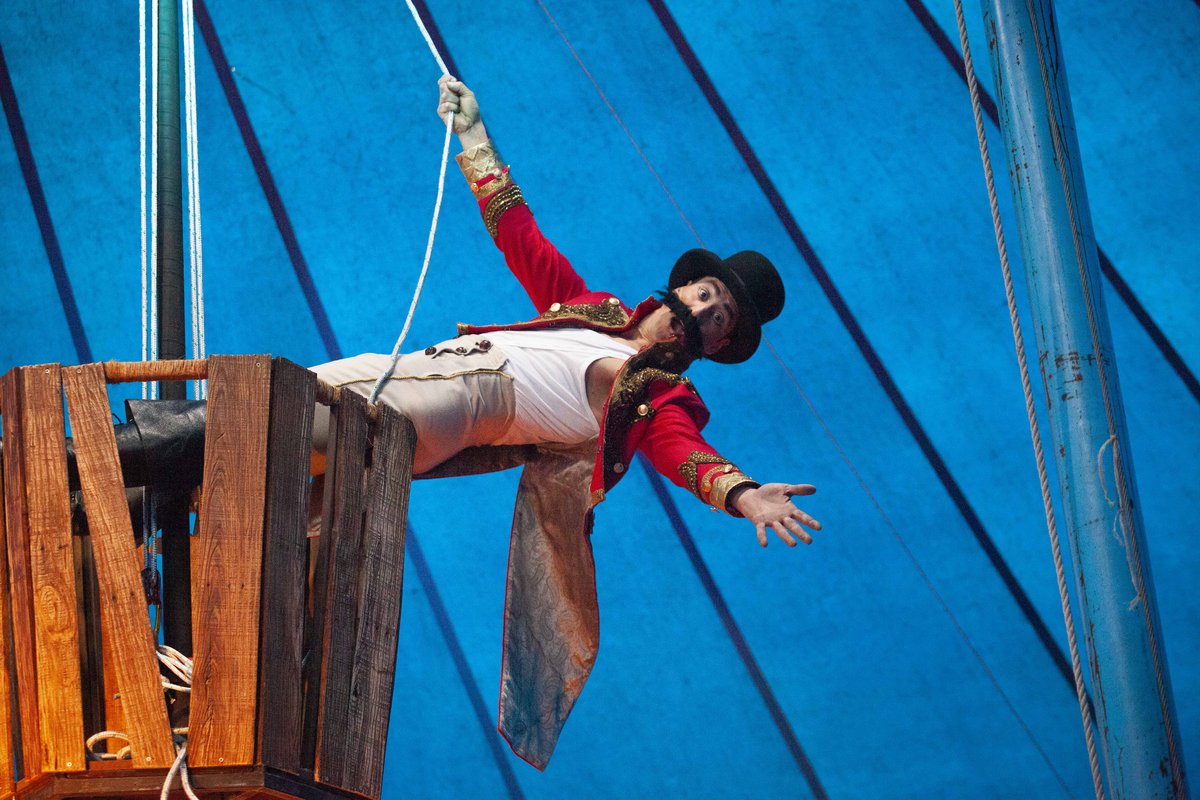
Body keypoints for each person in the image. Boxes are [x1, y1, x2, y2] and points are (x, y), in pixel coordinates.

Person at [301, 77, 822, 769]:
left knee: (289, 419)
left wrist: (742, 494)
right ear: (681, 285)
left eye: (717, 314)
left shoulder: (660, 395)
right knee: (279, 442)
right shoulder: (592, 307)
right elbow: (521, 237)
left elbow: (682, 452)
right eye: (704, 293)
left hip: (461, 403)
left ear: (719, 342)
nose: (700, 310)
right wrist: (473, 135)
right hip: (419, 365)